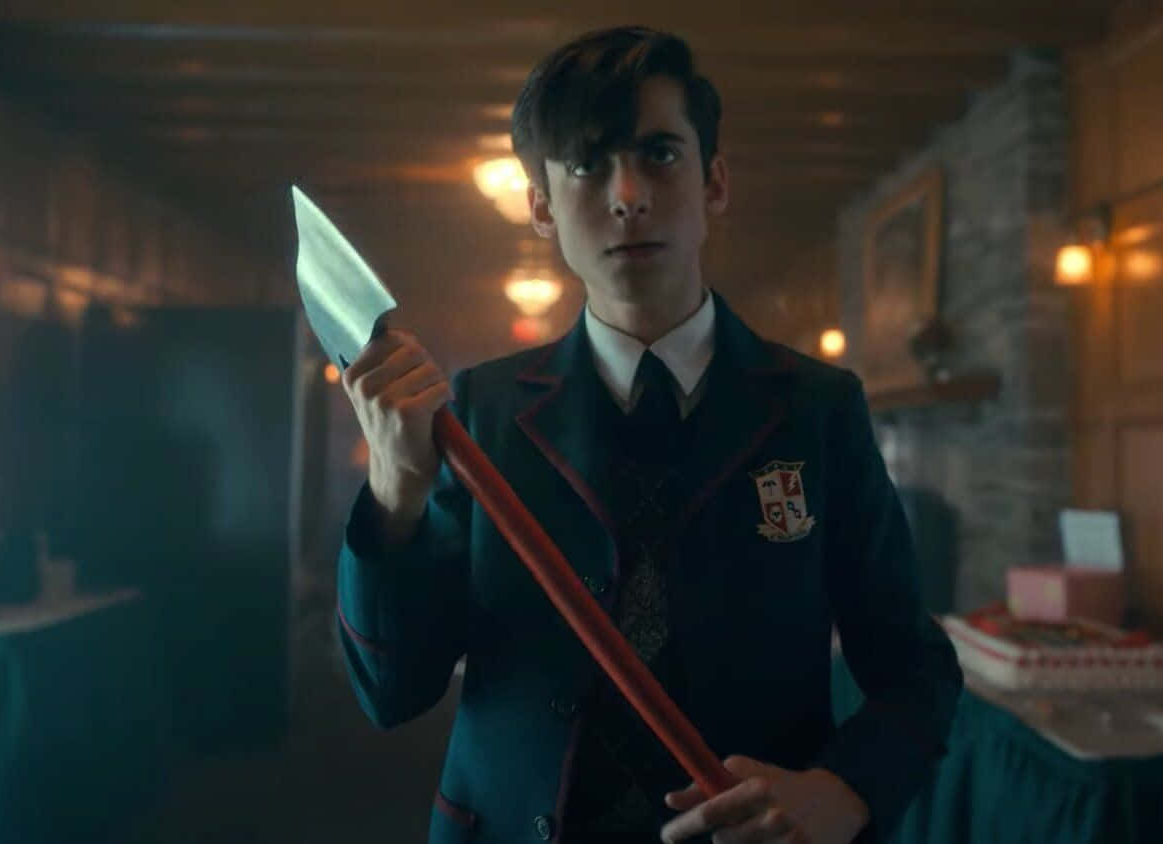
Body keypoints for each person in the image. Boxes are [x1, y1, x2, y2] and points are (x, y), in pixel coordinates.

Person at [335, 26, 962, 844]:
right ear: (539, 205)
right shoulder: (480, 409)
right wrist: (394, 496)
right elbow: (392, 691)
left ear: (716, 182)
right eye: (588, 165)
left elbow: (913, 672)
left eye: (660, 155)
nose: (627, 193)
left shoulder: (817, 406)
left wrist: (841, 790)